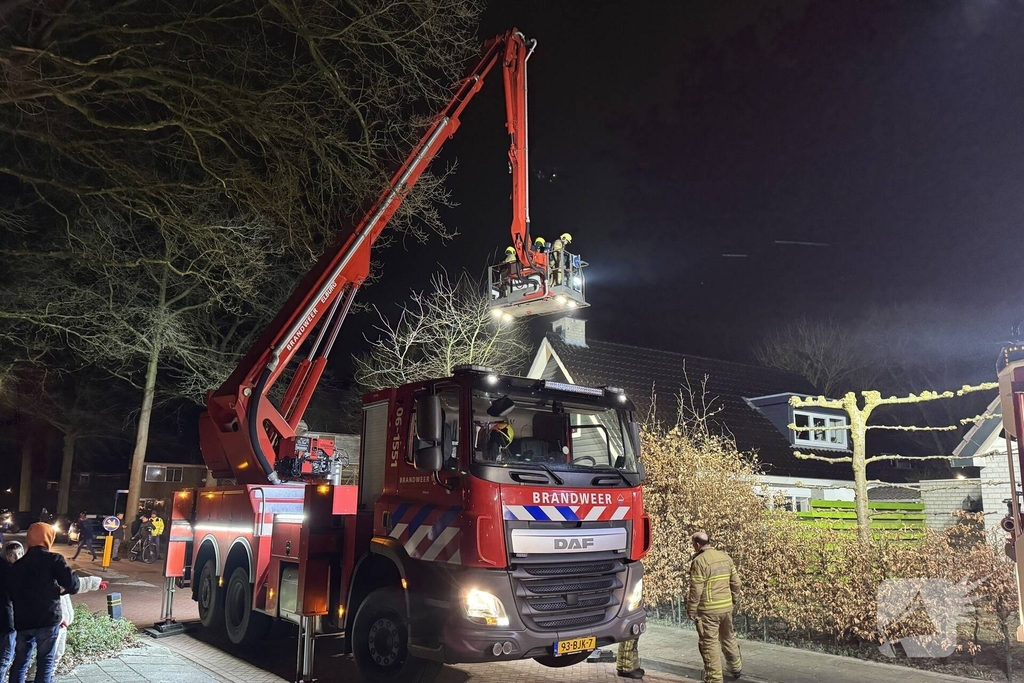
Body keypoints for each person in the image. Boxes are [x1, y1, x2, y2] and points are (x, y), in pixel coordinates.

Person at [9, 523, 80, 683]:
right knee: (45, 662)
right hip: (47, 619)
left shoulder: (17, 566)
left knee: (20, 661)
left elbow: (11, 592)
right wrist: (60, 589)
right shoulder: (54, 560)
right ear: (49, 538)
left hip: (23, 621)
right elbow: (72, 585)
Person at [686, 532, 742, 683]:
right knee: (728, 637)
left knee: (709, 643)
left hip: (708, 611)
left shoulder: (699, 561)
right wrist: (733, 600)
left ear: (697, 545)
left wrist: (691, 610)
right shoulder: (725, 557)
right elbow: (736, 583)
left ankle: (714, 679)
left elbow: (696, 590)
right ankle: (735, 667)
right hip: (726, 608)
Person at [0, 541, 22, 683]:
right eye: (12, 555)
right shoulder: (13, 573)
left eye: (19, 554)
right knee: (4, 658)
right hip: (8, 622)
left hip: (7, 621)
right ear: (6, 556)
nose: (17, 558)